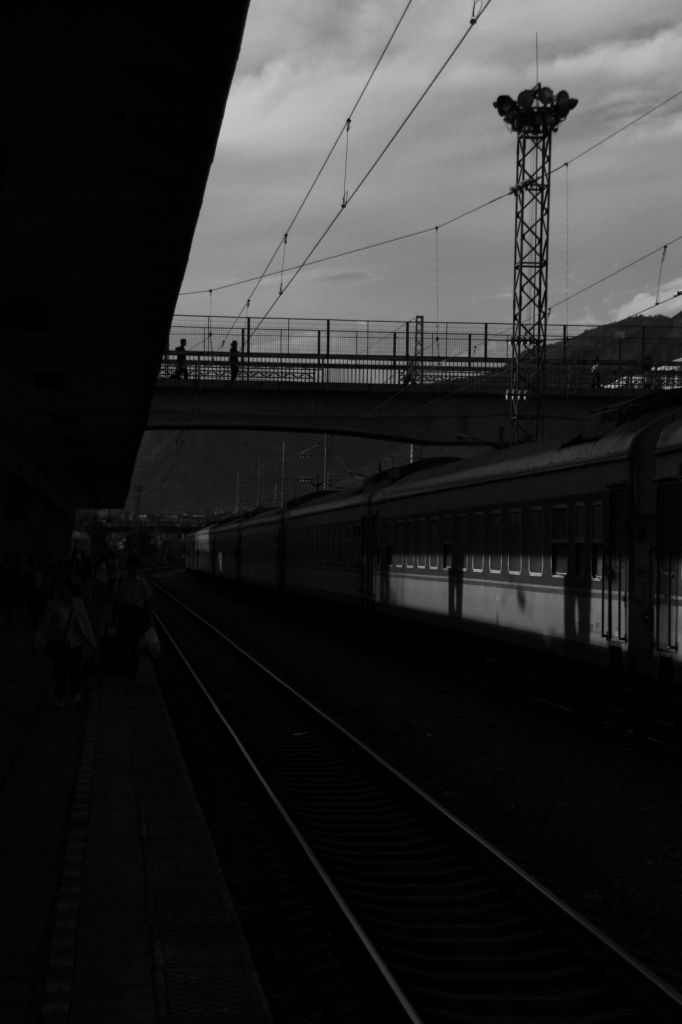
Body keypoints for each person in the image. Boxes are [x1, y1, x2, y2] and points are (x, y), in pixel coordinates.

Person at [34, 577, 98, 706]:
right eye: (60, 589)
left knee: (75, 670)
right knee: (60, 671)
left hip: (76, 642)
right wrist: (38, 641)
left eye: (64, 589)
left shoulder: (78, 604)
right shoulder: (53, 605)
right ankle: (60, 695)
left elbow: (86, 623)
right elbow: (44, 625)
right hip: (59, 643)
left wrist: (93, 643)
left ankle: (75, 694)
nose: (62, 592)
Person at [114, 554, 153, 679]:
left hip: (136, 614)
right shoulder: (121, 579)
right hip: (125, 613)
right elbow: (115, 597)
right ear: (128, 566)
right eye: (131, 566)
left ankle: (132, 669)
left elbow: (147, 601)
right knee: (123, 641)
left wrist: (148, 617)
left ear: (138, 567)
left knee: (135, 642)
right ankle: (125, 666)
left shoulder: (142, 582)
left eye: (135, 566)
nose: (133, 569)